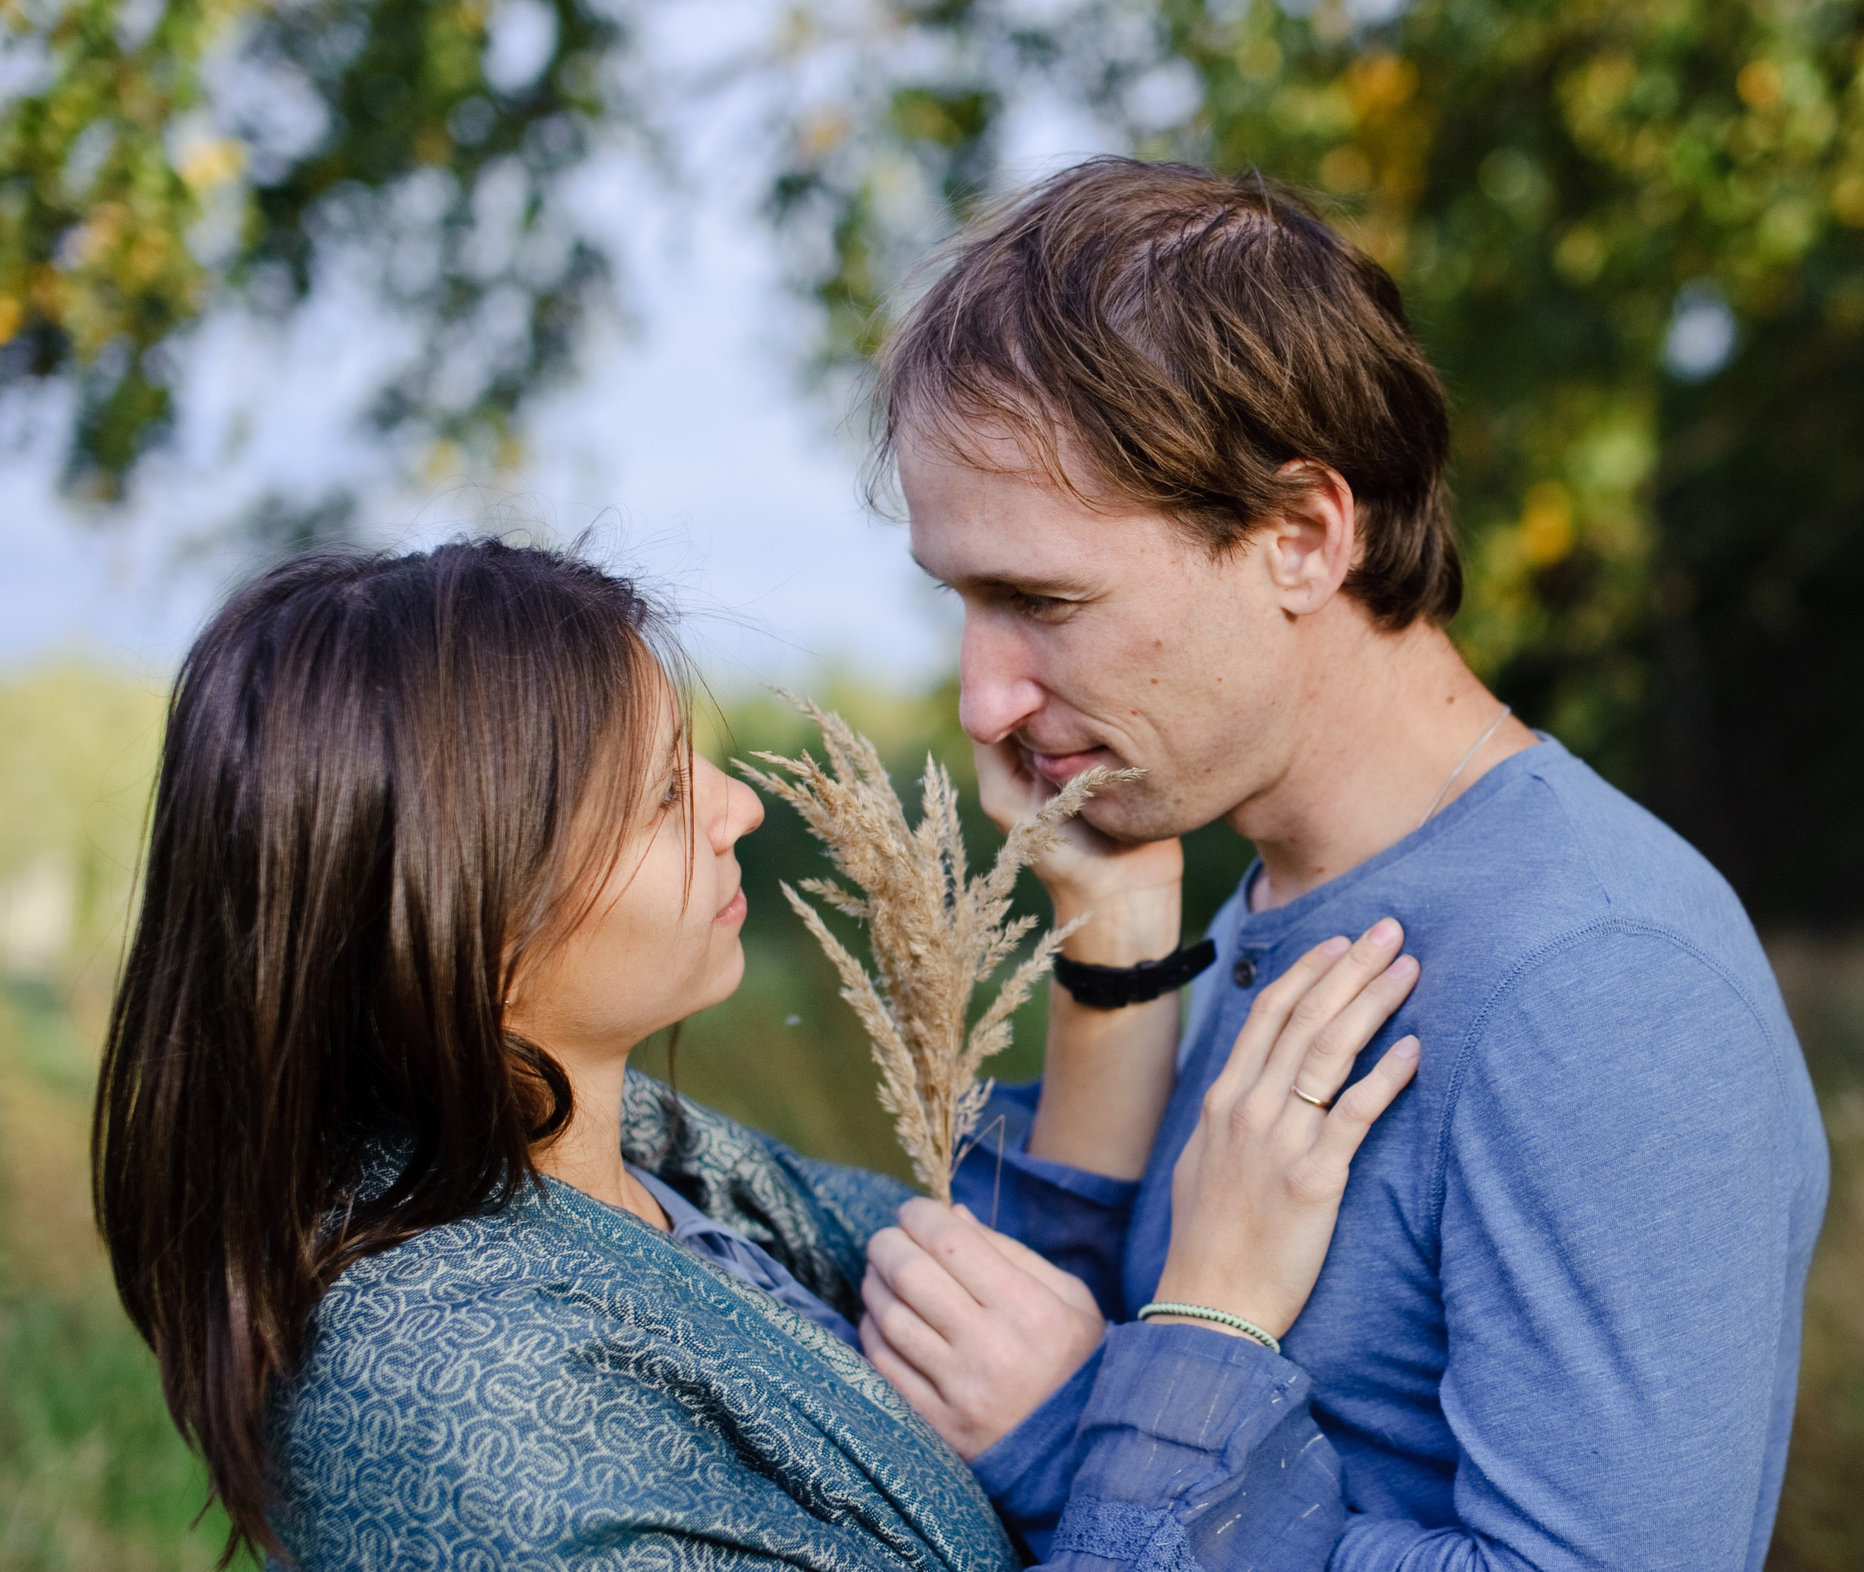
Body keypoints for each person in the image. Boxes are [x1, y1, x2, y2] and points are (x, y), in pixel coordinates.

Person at [853, 159, 1832, 1571]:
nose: (983, 700)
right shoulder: (1272, 898)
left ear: (1302, 537)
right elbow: (1021, 1348)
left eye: (1041, 602)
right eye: (962, 601)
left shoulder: (1598, 982)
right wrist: (1121, 957)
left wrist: (1089, 1435)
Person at [93, 536, 1420, 1569]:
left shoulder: (637, 1164)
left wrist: (1115, 944)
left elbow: (978, 1318)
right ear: (464, 908)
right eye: (667, 790)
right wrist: (1214, 1316)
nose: (736, 806)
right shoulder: (457, 1410)